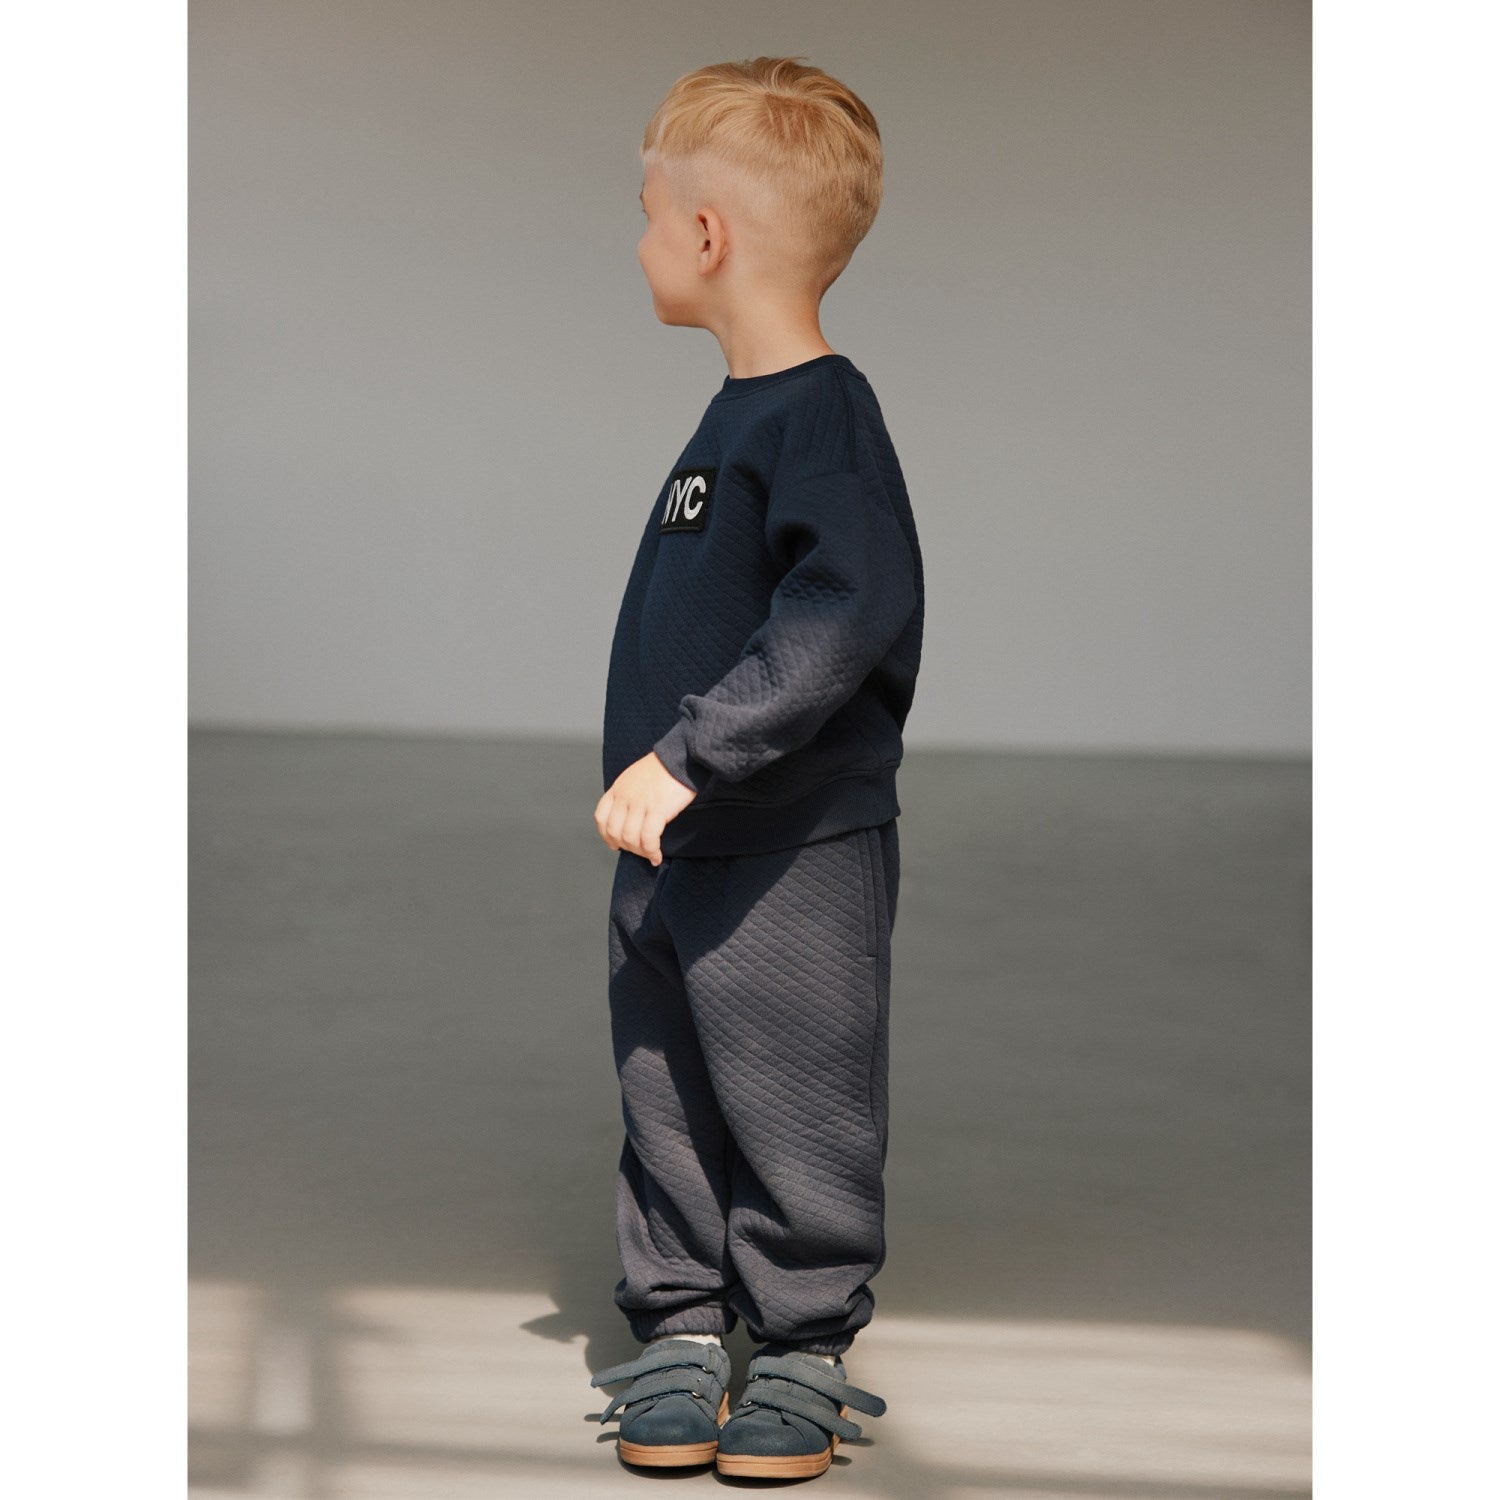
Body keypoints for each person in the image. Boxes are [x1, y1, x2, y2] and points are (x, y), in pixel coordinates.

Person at [589, 55, 924, 1482]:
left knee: (797, 1092)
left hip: (790, 848)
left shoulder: (819, 419)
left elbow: (845, 610)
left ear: (708, 235)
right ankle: (676, 1325)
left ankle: (799, 1345)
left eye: (649, 213)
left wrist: (689, 756)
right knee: (663, 1083)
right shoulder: (734, 417)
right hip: (672, 847)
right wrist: (665, 792)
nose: (640, 239)